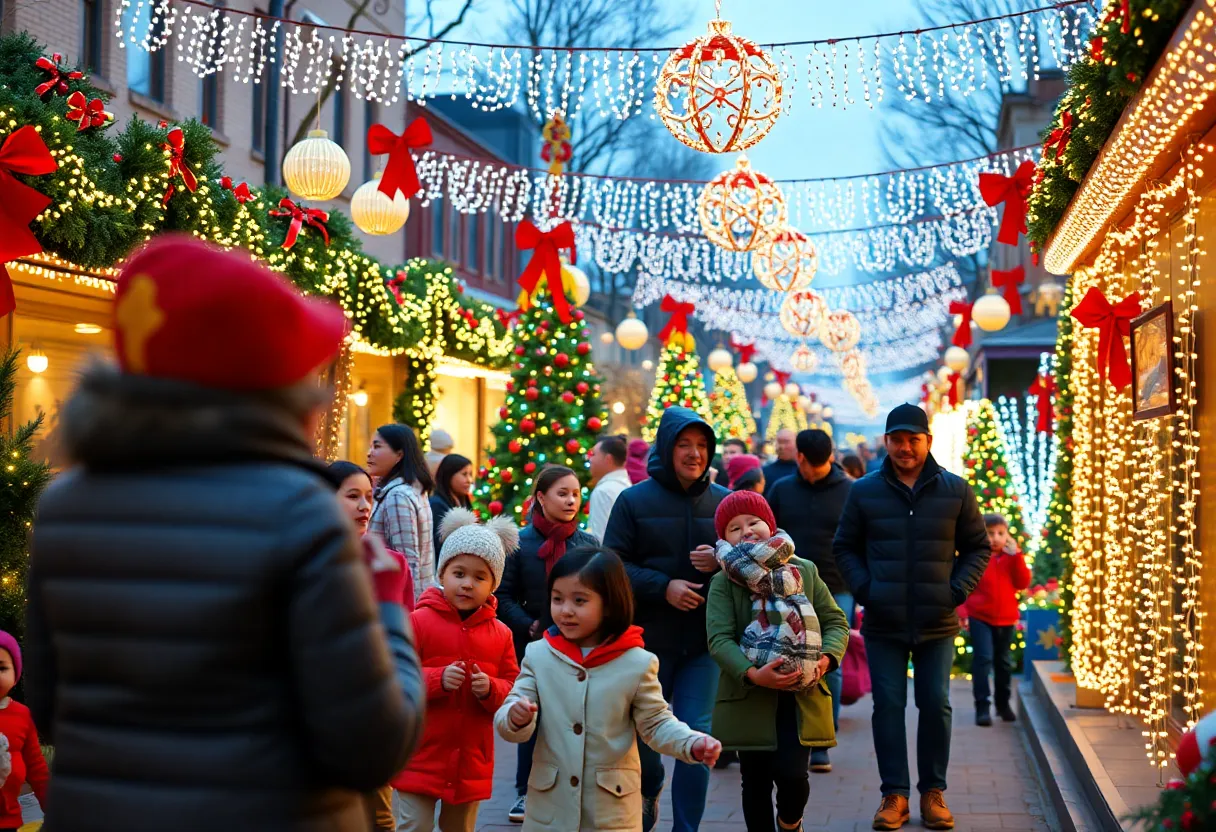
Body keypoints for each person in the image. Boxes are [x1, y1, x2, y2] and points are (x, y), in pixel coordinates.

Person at [25, 235, 423, 830]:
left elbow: (50, 708)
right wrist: (387, 607)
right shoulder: (301, 515)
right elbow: (371, 747)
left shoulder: (66, 505)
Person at [833, 403, 990, 831]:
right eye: (898, 440)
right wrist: (867, 590)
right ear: (886, 442)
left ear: (927, 442)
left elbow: (977, 547)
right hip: (883, 622)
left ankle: (933, 792)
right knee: (887, 706)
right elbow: (844, 546)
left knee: (936, 704)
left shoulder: (956, 490)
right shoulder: (864, 491)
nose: (905, 447)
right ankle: (895, 795)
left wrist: (955, 591)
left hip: (937, 621)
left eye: (913, 439)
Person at [495, 546, 722, 831]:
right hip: (550, 812)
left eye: (580, 600)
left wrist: (690, 742)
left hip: (610, 813)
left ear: (610, 604)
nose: (566, 610)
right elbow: (512, 710)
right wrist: (515, 717)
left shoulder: (637, 662)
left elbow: (656, 723)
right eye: (557, 599)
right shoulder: (539, 655)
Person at [604, 406, 729, 832]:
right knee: (645, 734)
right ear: (666, 448)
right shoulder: (633, 500)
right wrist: (664, 586)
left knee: (696, 735)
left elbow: (757, 560)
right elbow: (613, 564)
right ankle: (651, 785)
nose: (695, 453)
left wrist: (723, 560)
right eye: (684, 444)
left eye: (702, 445)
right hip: (647, 642)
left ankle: (686, 829)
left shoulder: (724, 502)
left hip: (705, 643)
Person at [706, 492, 849, 832]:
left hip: (800, 693)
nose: (746, 531)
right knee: (754, 781)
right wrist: (752, 673)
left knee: (793, 777)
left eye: (753, 522)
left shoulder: (805, 570)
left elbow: (835, 622)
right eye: (734, 527)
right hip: (750, 695)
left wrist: (826, 659)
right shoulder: (723, 581)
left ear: (770, 525)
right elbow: (719, 639)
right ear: (724, 537)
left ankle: (790, 823)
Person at [394, 508, 520, 832]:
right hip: (419, 754)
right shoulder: (417, 622)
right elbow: (396, 677)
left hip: (469, 761)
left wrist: (490, 688)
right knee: (413, 825)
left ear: (493, 585)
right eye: (459, 573)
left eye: (479, 577)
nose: (467, 584)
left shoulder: (501, 634)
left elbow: (512, 687)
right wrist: (437, 678)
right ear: (442, 574)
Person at [495, 466, 598, 823]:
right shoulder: (518, 543)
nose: (571, 500)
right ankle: (526, 791)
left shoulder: (588, 544)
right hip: (534, 645)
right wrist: (529, 625)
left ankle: (575, 789)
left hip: (581, 647)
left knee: (577, 717)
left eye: (576, 494)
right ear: (540, 497)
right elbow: (502, 595)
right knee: (531, 716)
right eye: (562, 493)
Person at [329, 460, 417, 831]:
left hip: (374, 703)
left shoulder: (392, 564)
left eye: (369, 497)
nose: (365, 506)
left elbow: (405, 634)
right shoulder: (310, 561)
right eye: (353, 496)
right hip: (325, 706)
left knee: (379, 812)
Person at [766, 429, 854, 773]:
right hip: (787, 586)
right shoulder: (782, 489)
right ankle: (788, 734)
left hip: (836, 586)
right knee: (784, 653)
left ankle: (821, 741)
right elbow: (768, 532)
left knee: (828, 659)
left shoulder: (850, 490)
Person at [958, 513, 1031, 727]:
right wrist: (962, 611)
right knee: (983, 659)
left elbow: (1022, 582)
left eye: (1000, 533)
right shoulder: (975, 557)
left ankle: (1002, 704)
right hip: (979, 616)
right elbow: (961, 584)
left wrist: (1017, 556)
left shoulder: (1011, 557)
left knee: (1003, 662)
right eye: (990, 533)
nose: (995, 538)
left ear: (1007, 535)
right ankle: (982, 707)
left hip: (1006, 619)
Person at [368, 423, 436, 603]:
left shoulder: (398, 496)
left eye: (377, 446)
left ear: (399, 455)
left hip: (397, 604)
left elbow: (407, 563)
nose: (369, 453)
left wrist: (406, 612)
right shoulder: (410, 489)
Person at [0, 632, 48, 830]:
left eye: (1, 668)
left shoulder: (21, 715)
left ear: (15, 675)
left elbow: (37, 769)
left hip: (8, 821)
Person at [587, 434, 631, 541]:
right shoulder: (627, 486)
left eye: (594, 454)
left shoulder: (603, 492)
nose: (590, 459)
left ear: (608, 459)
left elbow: (599, 538)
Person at [430, 453, 474, 554]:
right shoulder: (436, 505)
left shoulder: (462, 502)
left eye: (470, 474)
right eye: (464, 474)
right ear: (448, 475)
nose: (469, 480)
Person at [761, 429, 798, 494]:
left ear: (797, 444)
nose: (781, 446)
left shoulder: (805, 472)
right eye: (779, 442)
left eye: (786, 442)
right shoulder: (764, 472)